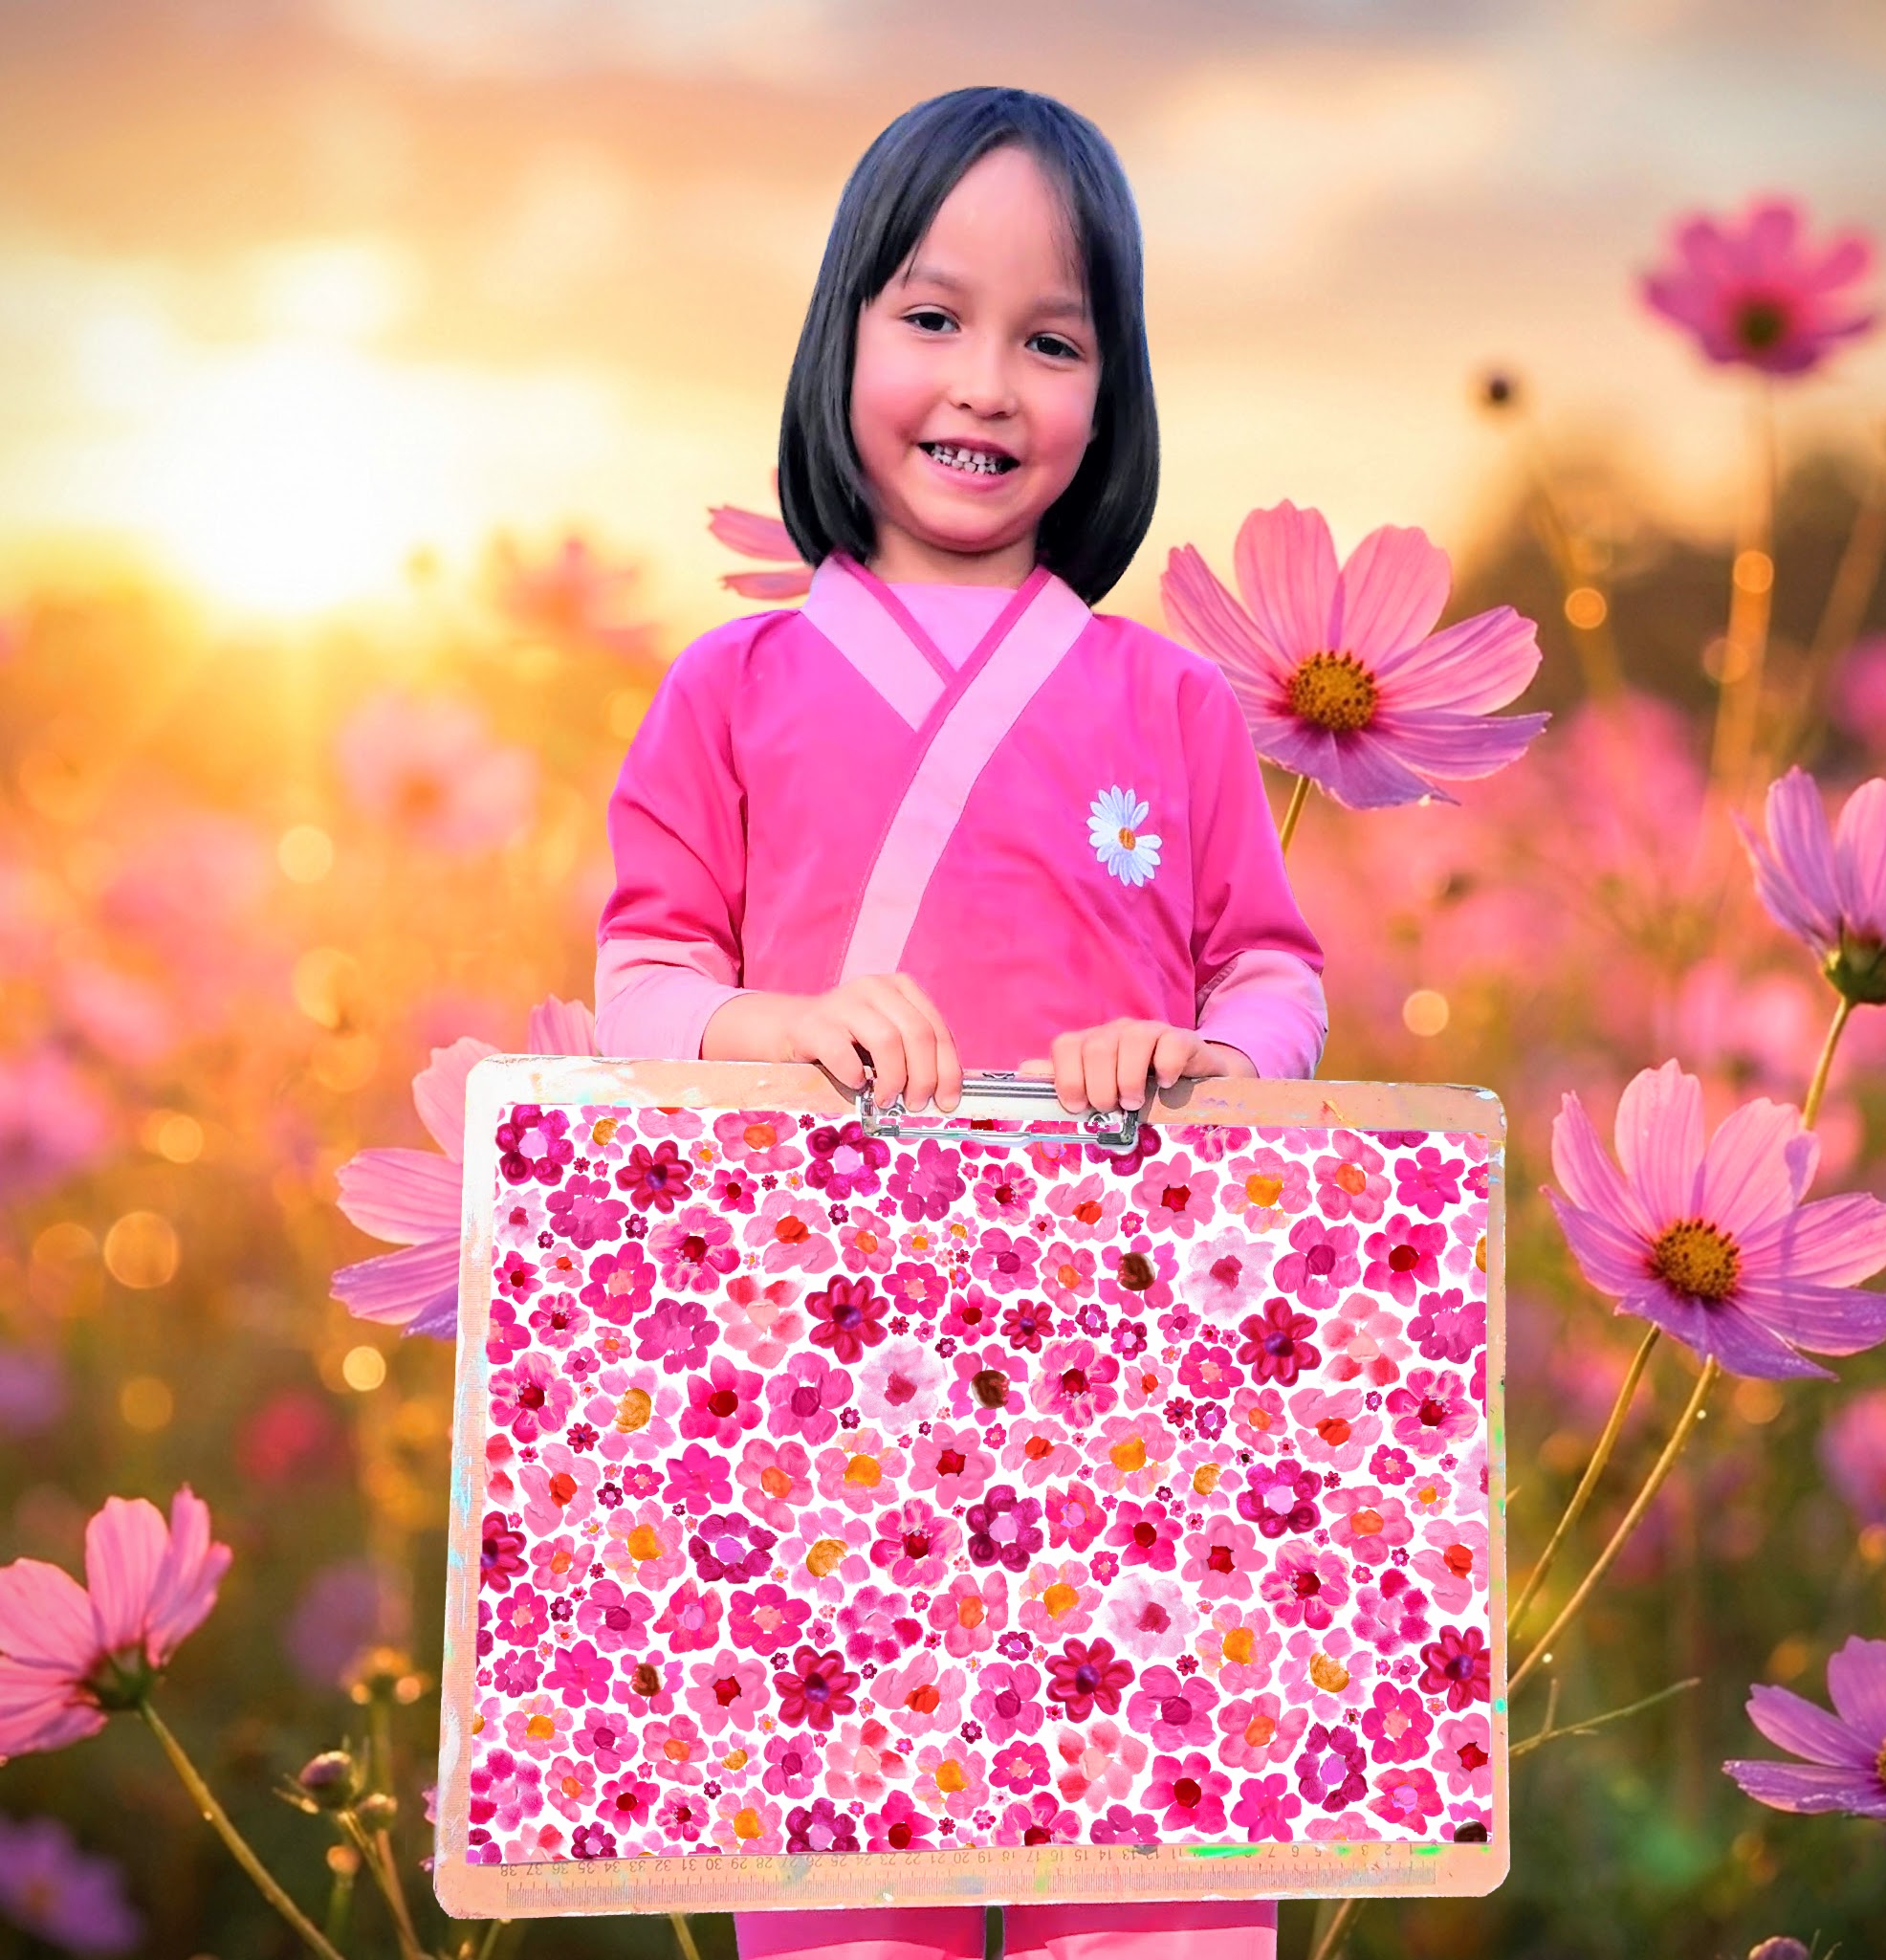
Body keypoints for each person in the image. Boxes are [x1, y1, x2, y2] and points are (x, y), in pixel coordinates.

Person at [596, 85, 1326, 1960]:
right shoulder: (730, 684)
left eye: (1049, 337)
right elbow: (646, 973)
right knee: (849, 1897)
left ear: (1111, 393)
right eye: (929, 317)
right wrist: (771, 1029)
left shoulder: (1163, 703)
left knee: (1152, 1890)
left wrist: (1209, 1062)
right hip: (830, 1397)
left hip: (1125, 1407)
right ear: (838, 332)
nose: (983, 382)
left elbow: (1268, 962)